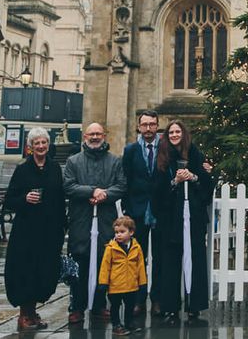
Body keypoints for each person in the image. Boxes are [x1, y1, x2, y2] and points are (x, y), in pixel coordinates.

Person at [64, 122, 126, 325]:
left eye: (98, 133)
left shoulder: (114, 161)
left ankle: (99, 305)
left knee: (103, 261)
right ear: (84, 137)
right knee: (79, 263)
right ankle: (77, 307)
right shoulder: (73, 161)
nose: (95, 137)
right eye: (91, 134)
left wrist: (105, 194)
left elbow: (121, 185)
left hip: (105, 220)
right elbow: (69, 186)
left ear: (104, 136)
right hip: (81, 219)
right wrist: (91, 191)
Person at [4, 127, 66, 330]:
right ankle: (24, 316)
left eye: (44, 143)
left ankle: (32, 314)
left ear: (48, 145)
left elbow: (59, 199)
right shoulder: (23, 170)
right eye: (36, 143)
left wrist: (63, 225)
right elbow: (9, 201)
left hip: (49, 231)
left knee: (43, 272)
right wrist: (24, 198)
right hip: (26, 232)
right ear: (30, 147)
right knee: (25, 271)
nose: (40, 146)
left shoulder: (55, 168)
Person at [153, 120, 214, 325]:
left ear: (184, 133)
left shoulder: (196, 154)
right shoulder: (162, 157)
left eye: (178, 131)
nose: (174, 134)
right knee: (170, 262)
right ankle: (170, 306)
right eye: (171, 132)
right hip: (170, 219)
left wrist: (194, 177)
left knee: (196, 259)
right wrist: (175, 182)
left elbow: (207, 182)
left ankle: (194, 306)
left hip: (193, 217)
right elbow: (158, 189)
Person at [122, 109, 162, 316]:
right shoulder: (130, 150)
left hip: (159, 211)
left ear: (157, 126)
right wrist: (128, 210)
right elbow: (125, 180)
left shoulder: (165, 148)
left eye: (152, 124)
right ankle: (139, 299)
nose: (148, 128)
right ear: (138, 126)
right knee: (139, 258)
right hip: (137, 211)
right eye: (144, 124)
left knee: (161, 258)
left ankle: (157, 299)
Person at [98, 216, 147, 336]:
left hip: (131, 285)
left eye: (122, 232)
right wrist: (103, 283)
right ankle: (116, 325)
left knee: (130, 306)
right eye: (116, 232)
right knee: (115, 306)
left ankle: (129, 323)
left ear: (131, 232)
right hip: (115, 285)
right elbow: (105, 266)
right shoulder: (111, 248)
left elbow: (140, 266)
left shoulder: (136, 247)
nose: (118, 235)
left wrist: (143, 283)